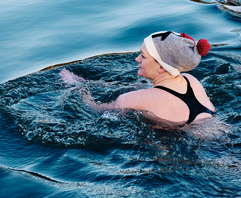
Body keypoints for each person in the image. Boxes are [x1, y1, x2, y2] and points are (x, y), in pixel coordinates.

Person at [60, 31, 215, 127]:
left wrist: (78, 88)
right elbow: (151, 90)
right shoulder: (190, 80)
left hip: (190, 145)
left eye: (143, 56)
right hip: (219, 131)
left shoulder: (130, 100)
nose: (137, 59)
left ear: (162, 67)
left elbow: (94, 109)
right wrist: (89, 83)